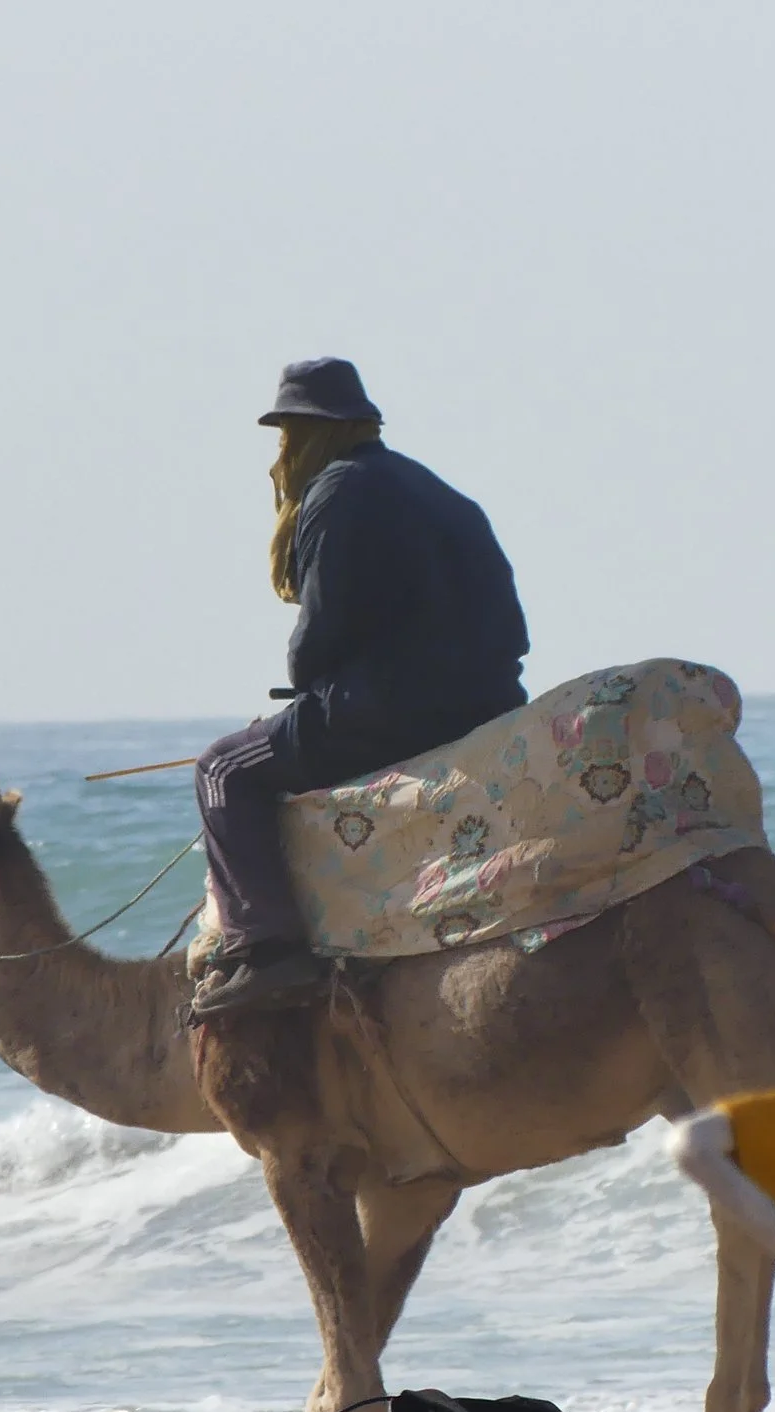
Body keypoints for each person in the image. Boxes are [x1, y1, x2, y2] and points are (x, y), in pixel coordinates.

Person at [191, 357, 531, 1018]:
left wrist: (309, 684)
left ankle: (267, 950)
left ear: (308, 432)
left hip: (388, 713)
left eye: (287, 433)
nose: (283, 452)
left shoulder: (336, 491)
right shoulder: (437, 490)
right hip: (489, 705)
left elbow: (318, 637)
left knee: (223, 769)